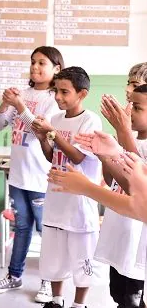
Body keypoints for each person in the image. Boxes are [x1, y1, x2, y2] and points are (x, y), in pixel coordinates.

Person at [0, 46, 64, 303]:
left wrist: (19, 105)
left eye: (42, 63)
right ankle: (14, 275)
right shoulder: (23, 93)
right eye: (32, 62)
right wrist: (5, 104)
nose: (35, 67)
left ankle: (47, 283)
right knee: (21, 228)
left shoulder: (55, 100)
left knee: (46, 230)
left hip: (42, 177)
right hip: (18, 175)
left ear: (57, 69)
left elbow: (40, 131)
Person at [31, 66, 103, 308]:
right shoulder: (55, 119)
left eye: (64, 92)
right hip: (56, 198)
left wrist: (52, 134)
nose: (58, 97)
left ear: (82, 94)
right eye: (56, 91)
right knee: (54, 256)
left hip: (79, 203)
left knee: (82, 257)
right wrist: (43, 138)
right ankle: (56, 300)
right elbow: (53, 156)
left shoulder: (90, 120)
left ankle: (79, 304)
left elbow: (78, 157)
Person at [95, 73, 147, 308]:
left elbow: (136, 185)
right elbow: (112, 179)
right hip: (118, 229)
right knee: (118, 295)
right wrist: (104, 156)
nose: (129, 110)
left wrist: (123, 131)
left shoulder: (135, 141)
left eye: (137, 107)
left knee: (132, 299)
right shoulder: (129, 137)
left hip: (137, 239)